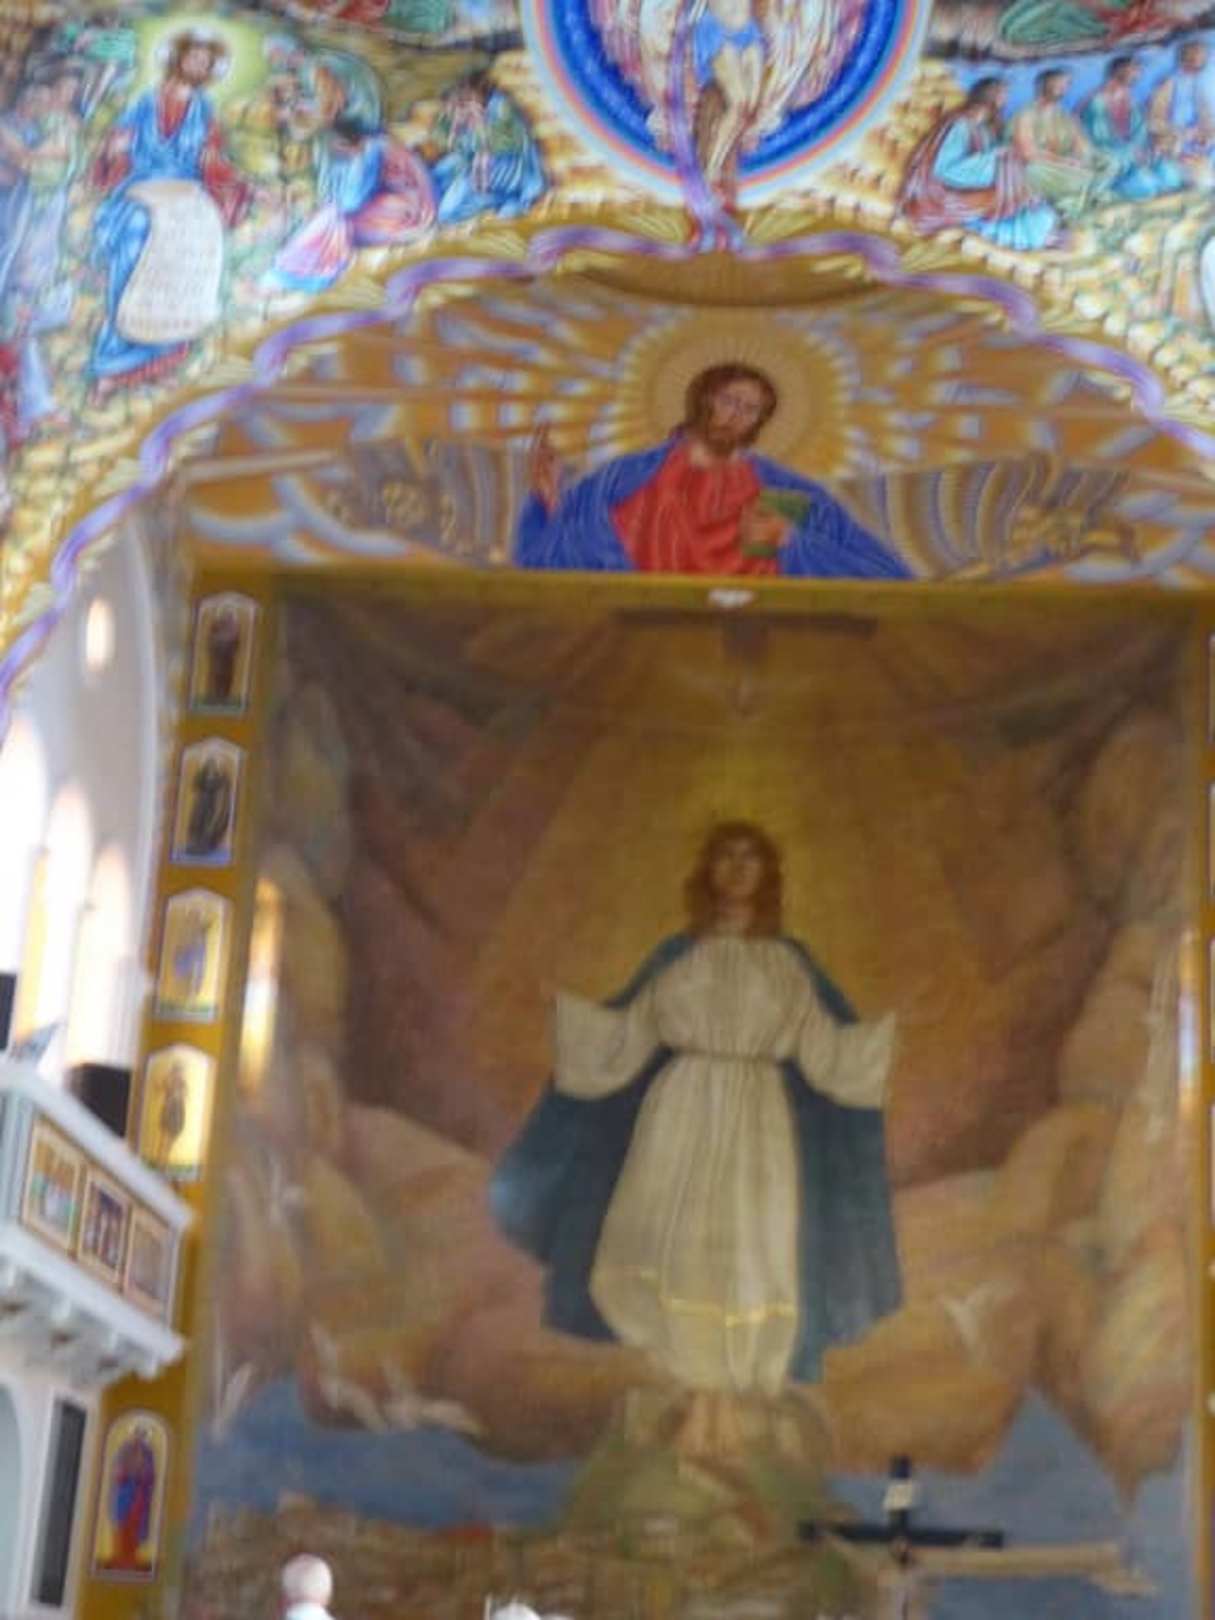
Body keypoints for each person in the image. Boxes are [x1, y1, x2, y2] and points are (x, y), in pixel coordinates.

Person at [491, 821, 901, 1403]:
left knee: (753, 1247)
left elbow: (826, 1051)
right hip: (680, 1109)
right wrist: (561, 1010)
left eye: (750, 858)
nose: (737, 868)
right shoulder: (677, 957)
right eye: (725, 856)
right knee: (671, 1241)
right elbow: (627, 1038)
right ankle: (686, 1390)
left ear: (767, 875)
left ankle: (731, 1399)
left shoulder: (787, 964)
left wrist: (888, 1035)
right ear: (707, 870)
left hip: (758, 1119)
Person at [515, 362, 910, 578]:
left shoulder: (787, 492)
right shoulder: (628, 478)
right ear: (703, 400)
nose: (736, 415)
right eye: (728, 400)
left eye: (750, 409)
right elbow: (550, 559)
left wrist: (793, 541)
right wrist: (550, 503)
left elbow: (885, 575)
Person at [88, 31, 256, 402]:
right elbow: (117, 144)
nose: (197, 65)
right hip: (140, 185)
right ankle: (112, 365)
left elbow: (210, 159)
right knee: (137, 234)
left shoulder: (204, 109)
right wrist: (114, 150)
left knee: (199, 233)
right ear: (177, 58)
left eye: (205, 62)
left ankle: (158, 364)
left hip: (185, 192)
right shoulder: (145, 101)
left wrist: (235, 179)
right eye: (193, 57)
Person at [899, 76, 1060, 250]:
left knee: (1043, 214)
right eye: (1002, 94)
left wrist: (1001, 155)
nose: (1005, 100)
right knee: (1009, 163)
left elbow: (996, 156)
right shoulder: (960, 124)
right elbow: (945, 170)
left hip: (985, 187)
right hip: (949, 191)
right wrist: (994, 156)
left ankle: (1024, 210)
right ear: (990, 96)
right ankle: (1015, 217)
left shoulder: (984, 127)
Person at [431, 73, 546, 226]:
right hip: (475, 162)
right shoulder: (462, 113)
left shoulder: (499, 107)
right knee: (441, 172)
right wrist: (455, 126)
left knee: (449, 209)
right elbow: (451, 141)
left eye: (467, 97)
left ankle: (497, 200)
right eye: (461, 98)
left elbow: (508, 142)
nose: (464, 103)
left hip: (506, 164)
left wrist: (479, 126)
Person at [1011, 68, 1117, 218]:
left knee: (1110, 162)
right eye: (1059, 84)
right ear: (1044, 85)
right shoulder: (1025, 115)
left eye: (1066, 84)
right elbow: (1027, 153)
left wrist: (1085, 158)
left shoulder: (1065, 116)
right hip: (1044, 167)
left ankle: (1082, 195)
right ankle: (1078, 198)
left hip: (1069, 167)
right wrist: (1064, 161)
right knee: (1034, 170)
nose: (1064, 88)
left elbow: (1082, 144)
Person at [1082, 55, 1183, 199]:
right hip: (1111, 156)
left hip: (1135, 153)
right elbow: (1100, 139)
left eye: (1139, 70)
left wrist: (1149, 148)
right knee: (1145, 184)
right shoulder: (1096, 102)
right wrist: (1131, 151)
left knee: (1168, 173)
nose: (1138, 74)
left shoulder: (1131, 101)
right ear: (1118, 71)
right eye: (1134, 69)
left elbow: (1141, 130)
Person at [1147, 39, 1214, 188]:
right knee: (1202, 181)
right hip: (1171, 144)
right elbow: (1153, 121)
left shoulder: (1196, 84)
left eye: (1204, 56)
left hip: (1195, 144)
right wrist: (1183, 132)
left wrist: (1206, 134)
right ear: (1186, 58)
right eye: (1199, 56)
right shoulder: (1168, 83)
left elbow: (1206, 115)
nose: (1204, 60)